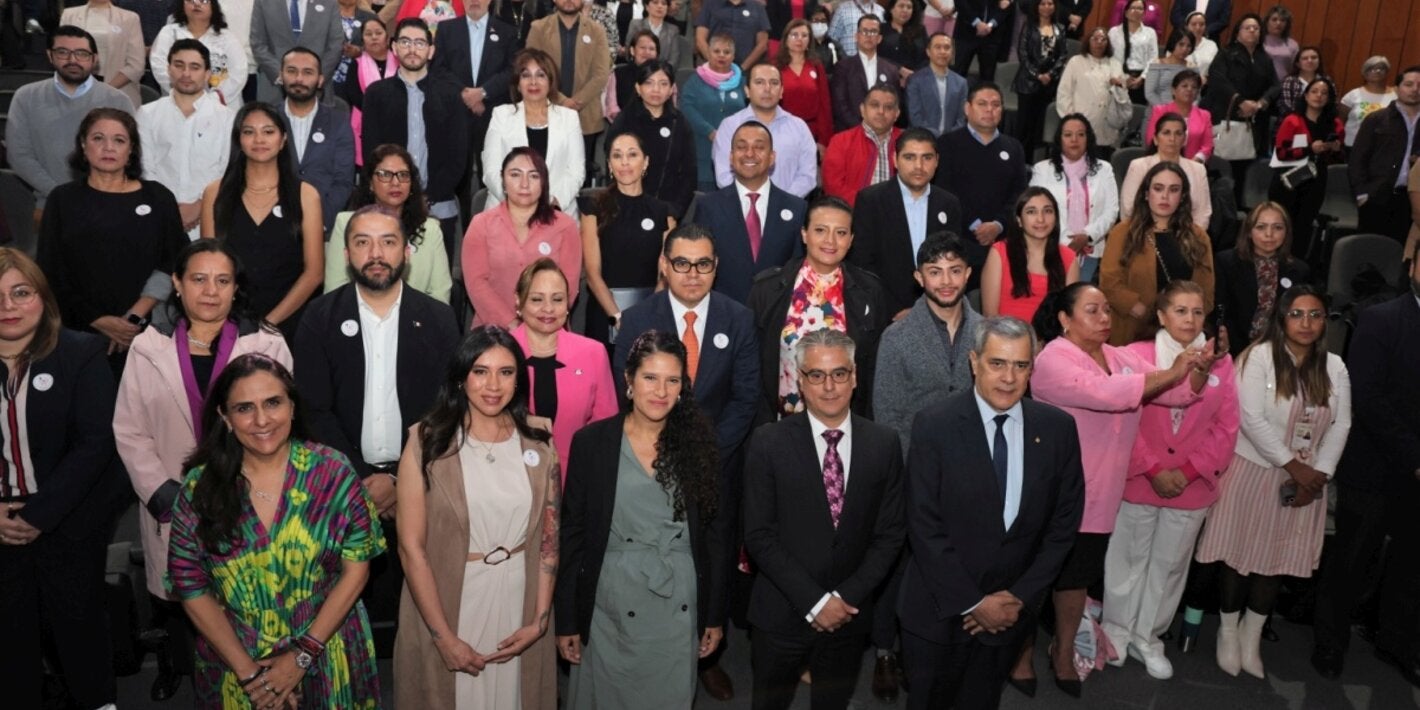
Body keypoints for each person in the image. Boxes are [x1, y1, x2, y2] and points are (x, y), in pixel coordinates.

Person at [114, 240, 292, 701]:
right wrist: (163, 491)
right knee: (184, 601)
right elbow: (130, 431)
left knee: (246, 603)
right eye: (198, 279)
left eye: (222, 280)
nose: (210, 291)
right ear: (176, 284)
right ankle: (183, 674)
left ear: (236, 289)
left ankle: (254, 682)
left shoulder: (267, 343)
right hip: (174, 498)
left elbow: (281, 424)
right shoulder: (147, 348)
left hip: (249, 495)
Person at [1021, 282, 1215, 696]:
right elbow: (1109, 395)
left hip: (1101, 493)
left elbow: (1172, 392)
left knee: (1076, 579)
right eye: (1093, 310)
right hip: (1054, 492)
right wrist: (1175, 370)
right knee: (1036, 578)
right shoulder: (1051, 359)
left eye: (1108, 309)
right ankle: (1019, 657)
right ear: (1064, 319)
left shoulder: (1117, 355)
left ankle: (1064, 650)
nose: (1105, 317)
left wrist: (1196, 369)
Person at [166, 354, 385, 707]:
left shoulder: (334, 474)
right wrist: (253, 677)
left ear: (293, 407)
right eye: (244, 408)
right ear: (224, 417)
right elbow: (191, 588)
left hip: (328, 652)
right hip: (235, 665)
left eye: (273, 403)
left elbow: (357, 570)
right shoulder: (199, 489)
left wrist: (302, 655)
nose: (262, 420)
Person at [897, 315, 1085, 709]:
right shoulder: (935, 425)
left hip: (1009, 614)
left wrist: (1018, 597)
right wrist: (974, 603)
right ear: (974, 361)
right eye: (997, 363)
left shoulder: (1057, 429)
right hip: (938, 609)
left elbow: (1063, 525)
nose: (1009, 377)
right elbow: (923, 524)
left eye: (1020, 365)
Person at [295, 204, 460, 650]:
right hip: (342, 483)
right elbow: (313, 410)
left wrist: (397, 477)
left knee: (422, 613)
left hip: (423, 479)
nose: (376, 253)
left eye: (387, 241)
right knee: (347, 615)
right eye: (362, 242)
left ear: (406, 251)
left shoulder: (440, 319)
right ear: (347, 253)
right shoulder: (319, 319)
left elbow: (447, 408)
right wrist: (361, 478)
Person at [612, 224, 761, 701]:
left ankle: (707, 652)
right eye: (681, 263)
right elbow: (627, 392)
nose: (692, 274)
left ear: (716, 267)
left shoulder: (738, 318)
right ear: (664, 264)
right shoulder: (637, 320)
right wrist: (663, 454)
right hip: (649, 463)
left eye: (703, 264)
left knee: (712, 557)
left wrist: (704, 453)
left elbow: (745, 398)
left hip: (717, 463)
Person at [555, 330, 729, 708]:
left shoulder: (700, 446)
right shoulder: (592, 443)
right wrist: (567, 617)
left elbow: (716, 538)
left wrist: (714, 614)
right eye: (650, 377)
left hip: (677, 601)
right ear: (629, 380)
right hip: (608, 602)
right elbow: (573, 534)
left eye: (672, 380)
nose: (661, 391)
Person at [392, 325, 561, 708]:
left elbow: (551, 538)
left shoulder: (539, 439)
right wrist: (443, 638)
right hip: (451, 601)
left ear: (519, 379)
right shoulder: (427, 441)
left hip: (519, 600)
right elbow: (410, 548)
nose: (493, 385)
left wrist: (540, 619)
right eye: (480, 371)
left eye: (506, 372)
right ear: (460, 378)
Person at [742, 327, 906, 709]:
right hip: (781, 613)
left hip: (849, 617)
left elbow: (891, 534)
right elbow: (759, 535)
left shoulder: (884, 443)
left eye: (839, 374)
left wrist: (844, 599)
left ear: (855, 377)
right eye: (816, 375)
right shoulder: (768, 442)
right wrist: (815, 602)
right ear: (800, 380)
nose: (829, 386)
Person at [1194, 284, 1350, 679]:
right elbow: (1250, 417)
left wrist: (1318, 477)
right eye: (1297, 314)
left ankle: (1253, 633)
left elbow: (1342, 423)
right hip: (1254, 472)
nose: (1306, 323)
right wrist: (1293, 468)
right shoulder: (1260, 357)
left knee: (1275, 560)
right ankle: (1228, 632)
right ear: (1282, 319)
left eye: (1315, 315)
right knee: (1239, 556)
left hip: (1306, 483)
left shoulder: (1335, 366)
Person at [0, 248, 125, 710]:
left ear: (43, 297)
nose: (9, 307)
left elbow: (96, 442)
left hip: (67, 522)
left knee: (79, 636)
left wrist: (38, 515)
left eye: (21, 292)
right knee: (11, 650)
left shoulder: (80, 351)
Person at [1102, 279, 1239, 681]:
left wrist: (1188, 471)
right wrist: (1155, 468)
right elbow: (1126, 419)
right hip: (1141, 477)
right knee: (1127, 558)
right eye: (1180, 310)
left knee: (1169, 566)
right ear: (1161, 315)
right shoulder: (1133, 356)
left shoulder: (1222, 362)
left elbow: (1227, 426)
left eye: (1198, 312)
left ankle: (1148, 636)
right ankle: (1116, 631)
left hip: (1191, 486)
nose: (1190, 319)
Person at [1312, 249, 1420, 684]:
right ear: (1412, 267)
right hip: (1375, 465)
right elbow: (1369, 399)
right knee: (1352, 560)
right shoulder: (1381, 319)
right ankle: (1329, 644)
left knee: (1412, 566)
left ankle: (1395, 642)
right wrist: (1415, 457)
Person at [37, 108, 188, 372]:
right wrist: (97, 320)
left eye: (119, 140)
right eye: (98, 138)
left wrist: (133, 318)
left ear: (132, 149)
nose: (109, 147)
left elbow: (176, 260)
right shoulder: (62, 200)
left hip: (146, 329)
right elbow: (49, 271)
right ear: (83, 145)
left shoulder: (158, 197)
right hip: (77, 332)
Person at [747, 196, 892, 423]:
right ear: (805, 234)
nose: (830, 241)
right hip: (780, 425)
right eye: (821, 230)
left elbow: (876, 368)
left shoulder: (870, 291)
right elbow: (751, 368)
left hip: (847, 423)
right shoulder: (767, 289)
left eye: (841, 233)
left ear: (851, 239)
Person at [200, 102, 325, 339]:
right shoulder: (215, 193)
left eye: (268, 131)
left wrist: (267, 326)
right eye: (249, 132)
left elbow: (314, 273)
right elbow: (209, 267)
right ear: (239, 139)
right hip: (228, 322)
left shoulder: (306, 195)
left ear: (283, 139)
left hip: (291, 321)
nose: (259, 139)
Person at [363, 18, 471, 248]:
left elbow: (459, 155)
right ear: (394, 48)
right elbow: (371, 152)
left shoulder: (451, 95)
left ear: (431, 51)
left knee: (437, 280)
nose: (412, 49)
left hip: (439, 206)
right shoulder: (376, 94)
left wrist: (429, 196)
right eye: (405, 41)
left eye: (420, 43)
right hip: (387, 207)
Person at [5, 27, 134, 212]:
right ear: (50, 55)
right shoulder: (26, 97)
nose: (73, 60)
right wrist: (60, 194)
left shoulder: (117, 100)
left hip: (106, 204)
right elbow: (19, 156)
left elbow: (129, 155)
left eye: (81, 53)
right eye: (63, 52)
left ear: (94, 59)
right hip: (48, 204)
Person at [509, 259, 618, 478]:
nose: (548, 309)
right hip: (509, 477)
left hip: (576, 478)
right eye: (537, 299)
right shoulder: (500, 353)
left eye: (557, 299)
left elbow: (606, 428)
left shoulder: (593, 353)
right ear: (519, 302)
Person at [849, 127, 964, 316]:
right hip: (884, 312)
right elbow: (862, 263)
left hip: (937, 310)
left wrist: (927, 308)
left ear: (937, 161)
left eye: (927, 158)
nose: (919, 166)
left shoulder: (949, 203)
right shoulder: (871, 200)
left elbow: (953, 263)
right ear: (895, 160)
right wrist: (894, 309)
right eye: (909, 157)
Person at [464, 148, 582, 327]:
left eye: (534, 176)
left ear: (544, 182)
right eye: (515, 175)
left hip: (548, 330)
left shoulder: (565, 226)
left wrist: (537, 327)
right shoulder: (481, 224)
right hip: (493, 332)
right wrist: (512, 324)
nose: (524, 184)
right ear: (503, 180)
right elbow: (476, 284)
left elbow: (569, 288)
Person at [694, 120, 808, 303]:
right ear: (731, 157)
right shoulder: (708, 206)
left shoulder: (796, 208)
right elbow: (699, 265)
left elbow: (799, 269)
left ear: (772, 157)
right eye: (741, 147)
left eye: (759, 147)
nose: (749, 153)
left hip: (777, 315)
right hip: (724, 313)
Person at [1102, 161, 1214, 345]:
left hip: (1183, 334)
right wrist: (1144, 313)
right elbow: (1110, 283)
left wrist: (1184, 318)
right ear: (1146, 194)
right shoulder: (1122, 233)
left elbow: (1206, 292)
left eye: (1174, 190)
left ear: (1183, 196)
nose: (1165, 196)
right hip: (1133, 330)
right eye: (1158, 188)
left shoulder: (1198, 237)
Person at [324, 144, 454, 302]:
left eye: (403, 175)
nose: (395, 182)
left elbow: (441, 294)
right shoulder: (345, 223)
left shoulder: (430, 229)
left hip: (417, 321)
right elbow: (334, 290)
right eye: (385, 174)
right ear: (370, 183)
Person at [580, 132, 675, 344]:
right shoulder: (593, 208)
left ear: (646, 162)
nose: (624, 162)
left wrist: (646, 317)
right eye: (617, 156)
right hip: (604, 314)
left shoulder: (663, 213)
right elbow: (593, 275)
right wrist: (619, 318)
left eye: (632, 154)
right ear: (609, 164)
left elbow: (665, 274)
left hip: (651, 315)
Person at [139, 39, 237, 240]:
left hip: (210, 217)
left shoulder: (227, 117)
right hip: (159, 216)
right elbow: (145, 168)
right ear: (168, 69)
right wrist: (170, 208)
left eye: (195, 67)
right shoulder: (147, 114)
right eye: (179, 65)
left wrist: (200, 206)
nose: (186, 74)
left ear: (208, 73)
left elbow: (227, 169)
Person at [933, 82, 1029, 282]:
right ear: (967, 108)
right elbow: (944, 192)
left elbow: (1019, 195)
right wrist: (977, 226)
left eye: (995, 105)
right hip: (958, 243)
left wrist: (998, 225)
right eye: (982, 104)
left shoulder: (1013, 147)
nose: (989, 110)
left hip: (1001, 243)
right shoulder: (947, 144)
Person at [481, 47, 586, 214]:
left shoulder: (569, 118)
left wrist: (552, 203)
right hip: (507, 212)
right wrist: (519, 202)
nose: (533, 82)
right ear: (517, 84)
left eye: (541, 75)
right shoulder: (501, 115)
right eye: (526, 75)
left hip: (556, 211)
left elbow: (576, 172)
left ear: (551, 82)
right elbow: (491, 171)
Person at [525, 0, 611, 184]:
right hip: (544, 112)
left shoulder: (597, 31)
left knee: (580, 176)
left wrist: (575, 102)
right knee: (542, 172)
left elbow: (601, 74)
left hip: (585, 116)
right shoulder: (539, 28)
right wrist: (562, 101)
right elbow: (531, 70)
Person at [431, 0, 519, 177]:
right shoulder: (446, 29)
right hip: (455, 113)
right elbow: (438, 69)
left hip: (492, 113)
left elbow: (512, 70)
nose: (474, 1)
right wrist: (465, 94)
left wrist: (483, 93)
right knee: (457, 175)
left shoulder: (507, 31)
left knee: (493, 173)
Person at [274, 48, 356, 236]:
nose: (299, 79)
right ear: (281, 76)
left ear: (320, 80)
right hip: (274, 225)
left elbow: (343, 180)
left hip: (324, 228)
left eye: (307, 72)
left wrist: (320, 221)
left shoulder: (338, 121)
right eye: (292, 71)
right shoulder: (267, 118)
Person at [1213, 202, 1311, 357]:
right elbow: (1220, 309)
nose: (1269, 234)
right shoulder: (1226, 262)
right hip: (1235, 349)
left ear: (1286, 232)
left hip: (1281, 352)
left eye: (1277, 228)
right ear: (1249, 232)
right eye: (1261, 227)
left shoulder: (1299, 270)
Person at [1030, 114, 1119, 282]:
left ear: (1088, 138)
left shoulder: (1104, 169)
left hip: (1090, 249)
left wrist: (1087, 235)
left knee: (1079, 301)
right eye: (1068, 134)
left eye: (1080, 134)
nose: (1074, 140)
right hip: (1051, 249)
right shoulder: (1042, 170)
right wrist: (1067, 243)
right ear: (1059, 139)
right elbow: (1035, 210)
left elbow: (1111, 211)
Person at [606, 60, 697, 219]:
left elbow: (689, 173)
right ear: (638, 88)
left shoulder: (680, 122)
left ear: (671, 90)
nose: (656, 90)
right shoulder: (624, 122)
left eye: (663, 84)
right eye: (649, 83)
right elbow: (613, 168)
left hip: (667, 211)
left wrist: (675, 210)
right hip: (625, 210)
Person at [712, 63, 818, 198]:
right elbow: (724, 175)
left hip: (787, 210)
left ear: (781, 92)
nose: (767, 89)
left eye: (774, 83)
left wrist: (781, 203)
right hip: (741, 210)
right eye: (759, 82)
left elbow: (807, 176)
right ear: (747, 91)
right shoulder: (730, 126)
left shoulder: (799, 127)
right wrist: (752, 202)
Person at [1268, 78, 1344, 261]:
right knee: (1282, 221)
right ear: (1306, 95)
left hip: (1316, 178)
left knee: (1304, 224)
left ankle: (1295, 265)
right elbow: (1281, 152)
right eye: (1314, 91)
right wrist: (1310, 149)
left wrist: (1335, 149)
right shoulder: (1293, 121)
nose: (1319, 96)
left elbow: (1339, 158)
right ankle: (1273, 260)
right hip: (1289, 178)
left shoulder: (1335, 124)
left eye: (1324, 93)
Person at [1203, 14, 1281, 182]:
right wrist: (1240, 101)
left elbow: (1275, 85)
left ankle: (1237, 204)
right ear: (1238, 32)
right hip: (1226, 113)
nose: (1252, 31)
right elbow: (1217, 79)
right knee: (1219, 168)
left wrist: (1260, 103)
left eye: (1256, 28)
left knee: (1243, 170)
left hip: (1253, 118)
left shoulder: (1264, 58)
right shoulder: (1226, 53)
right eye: (1247, 27)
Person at [982, 187, 1079, 320]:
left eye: (1048, 211)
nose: (1040, 219)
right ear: (1019, 220)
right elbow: (990, 316)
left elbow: (1070, 317)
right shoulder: (999, 252)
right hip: (1005, 338)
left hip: (1051, 340)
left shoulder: (1068, 257)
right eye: (1031, 212)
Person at [1349, 65, 1420, 242]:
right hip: (1377, 196)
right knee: (1369, 253)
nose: (1415, 90)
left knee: (1400, 254)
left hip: (1411, 199)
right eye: (1409, 84)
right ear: (1397, 88)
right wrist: (1362, 194)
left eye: (1419, 85)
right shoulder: (1377, 119)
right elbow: (1358, 159)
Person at [1120, 112, 1213, 228]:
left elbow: (1203, 213)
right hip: (1144, 235)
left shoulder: (1198, 170)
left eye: (1178, 133)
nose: (1172, 139)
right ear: (1155, 139)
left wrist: (1190, 238)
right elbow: (1128, 209)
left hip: (1186, 236)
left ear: (1184, 140)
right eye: (1166, 133)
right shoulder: (1138, 166)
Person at [150, 0, 248, 104]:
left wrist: (214, 98)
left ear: (214, 7)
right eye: (191, 1)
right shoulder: (169, 33)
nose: (197, 4)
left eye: (204, 1)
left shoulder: (227, 37)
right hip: (179, 101)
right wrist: (185, 91)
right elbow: (159, 65)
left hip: (222, 105)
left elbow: (239, 72)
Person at [682, 33, 747, 191]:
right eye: (716, 51)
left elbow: (749, 111)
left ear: (733, 55)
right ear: (708, 52)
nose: (721, 55)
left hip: (735, 153)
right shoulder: (695, 80)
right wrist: (709, 131)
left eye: (727, 52)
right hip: (703, 150)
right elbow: (687, 108)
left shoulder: (742, 82)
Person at [823, 84, 901, 207]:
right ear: (862, 110)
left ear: (896, 114)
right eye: (874, 105)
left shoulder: (907, 142)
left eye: (888, 107)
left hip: (897, 215)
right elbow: (833, 187)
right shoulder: (840, 141)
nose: (881, 111)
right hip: (853, 215)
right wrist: (867, 206)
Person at [250, 0, 345, 102]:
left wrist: (317, 75)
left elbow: (336, 44)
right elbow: (258, 43)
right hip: (274, 88)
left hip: (317, 91)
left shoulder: (329, 3)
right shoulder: (263, 2)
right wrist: (283, 74)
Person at [61, 0, 146, 109]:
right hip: (77, 91)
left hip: (119, 92)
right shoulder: (69, 15)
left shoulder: (130, 18)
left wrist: (103, 91)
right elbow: (63, 54)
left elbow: (136, 65)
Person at [1056, 27, 1129, 149]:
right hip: (1081, 121)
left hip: (1106, 125)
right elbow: (1064, 93)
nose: (1099, 42)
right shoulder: (1076, 62)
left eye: (1103, 39)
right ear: (1088, 41)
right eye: (1095, 39)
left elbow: (1122, 96)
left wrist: (1118, 85)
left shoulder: (1115, 64)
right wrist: (1071, 120)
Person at [337, 17, 398, 166]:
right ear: (363, 40)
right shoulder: (356, 63)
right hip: (366, 122)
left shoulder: (399, 62)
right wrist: (377, 110)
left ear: (387, 38)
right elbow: (353, 94)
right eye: (368, 34)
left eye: (378, 33)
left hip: (397, 119)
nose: (374, 37)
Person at [1013, 0, 1067, 159]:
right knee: (1023, 125)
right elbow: (1022, 54)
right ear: (1037, 6)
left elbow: (1062, 55)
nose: (1047, 7)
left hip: (1048, 84)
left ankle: (1031, 160)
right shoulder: (1029, 26)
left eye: (1050, 4)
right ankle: (1018, 158)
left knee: (1039, 126)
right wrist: (1037, 74)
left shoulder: (1060, 28)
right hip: (1028, 82)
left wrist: (1050, 74)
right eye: (1043, 4)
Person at [830, 16, 902, 132]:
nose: (869, 36)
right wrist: (862, 129)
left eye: (873, 32)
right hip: (851, 132)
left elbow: (894, 104)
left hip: (883, 132)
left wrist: (880, 127)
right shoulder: (843, 67)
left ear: (879, 38)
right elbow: (840, 105)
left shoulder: (891, 70)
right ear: (856, 36)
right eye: (864, 31)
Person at [775, 19, 834, 149]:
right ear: (786, 39)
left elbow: (824, 104)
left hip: (811, 133)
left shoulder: (816, 66)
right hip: (782, 131)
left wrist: (824, 140)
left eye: (804, 35)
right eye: (794, 35)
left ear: (809, 40)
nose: (799, 39)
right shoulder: (776, 67)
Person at [905, 32, 968, 137]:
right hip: (921, 138)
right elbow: (915, 116)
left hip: (951, 141)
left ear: (952, 53)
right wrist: (935, 135)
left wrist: (948, 137)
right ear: (928, 52)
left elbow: (961, 118)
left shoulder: (961, 82)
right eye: (938, 47)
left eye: (947, 48)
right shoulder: (915, 80)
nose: (942, 52)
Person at [1144, 70, 1213, 161]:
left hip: (1194, 165)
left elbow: (1207, 146)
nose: (1189, 89)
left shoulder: (1204, 115)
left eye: (1194, 87)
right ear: (1173, 90)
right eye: (1184, 86)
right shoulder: (1160, 111)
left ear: (1197, 93)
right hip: (1162, 163)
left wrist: (1196, 160)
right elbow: (1151, 139)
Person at [602, 30, 661, 123]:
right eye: (642, 47)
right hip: (624, 128)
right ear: (632, 51)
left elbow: (670, 108)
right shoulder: (618, 74)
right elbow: (612, 108)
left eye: (652, 49)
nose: (647, 52)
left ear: (657, 54)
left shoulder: (664, 76)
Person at [1339, 55, 1396, 148]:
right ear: (1365, 73)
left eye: (1381, 68)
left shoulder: (1395, 95)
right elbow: (1341, 120)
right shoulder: (1353, 95)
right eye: (1372, 69)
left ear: (1387, 72)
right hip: (1353, 145)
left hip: (1383, 146)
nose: (1377, 71)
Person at [694, 0, 769, 68]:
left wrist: (742, 68)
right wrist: (713, 64)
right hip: (712, 69)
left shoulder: (758, 7)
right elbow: (700, 39)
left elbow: (762, 44)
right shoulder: (710, 4)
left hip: (745, 70)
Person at [1106, 0, 1153, 104]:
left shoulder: (1150, 33)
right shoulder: (1114, 32)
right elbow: (1108, 57)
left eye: (1140, 8)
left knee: (1137, 113)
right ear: (1126, 12)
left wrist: (1142, 78)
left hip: (1140, 80)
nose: (1136, 11)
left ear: (1144, 12)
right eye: (1132, 8)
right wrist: (1119, 79)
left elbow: (1153, 58)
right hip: (1118, 77)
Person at [950, 0, 1008, 81]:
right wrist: (977, 23)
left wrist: (990, 25)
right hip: (965, 33)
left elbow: (1006, 5)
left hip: (991, 35)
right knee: (957, 74)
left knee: (988, 77)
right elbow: (960, 2)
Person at [1143, 29, 1194, 107]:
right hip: (1159, 112)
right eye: (1181, 44)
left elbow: (1195, 96)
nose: (1185, 49)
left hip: (1183, 114)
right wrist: (1167, 110)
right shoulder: (1157, 64)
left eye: (1189, 46)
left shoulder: (1192, 67)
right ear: (1173, 43)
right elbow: (1150, 94)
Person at [625, 0, 683, 69]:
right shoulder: (635, 25)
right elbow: (628, 53)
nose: (660, 6)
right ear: (647, 7)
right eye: (655, 2)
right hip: (637, 72)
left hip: (662, 74)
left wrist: (659, 74)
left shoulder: (673, 30)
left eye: (664, 4)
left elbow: (674, 60)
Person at [1277, 45, 1329, 117]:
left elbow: (1332, 104)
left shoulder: (1327, 81)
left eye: (1314, 57)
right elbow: (1286, 107)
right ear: (1298, 64)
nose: (1310, 61)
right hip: (1293, 122)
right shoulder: (1290, 81)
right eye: (1305, 58)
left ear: (1319, 61)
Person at [879, 0, 926, 72]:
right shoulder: (882, 29)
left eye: (909, 7)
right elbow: (877, 57)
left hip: (917, 76)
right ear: (891, 9)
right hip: (888, 74)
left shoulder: (920, 30)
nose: (905, 10)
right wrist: (900, 70)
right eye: (901, 6)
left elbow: (927, 55)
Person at [1259, 4, 1296, 83]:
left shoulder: (1292, 44)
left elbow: (1294, 69)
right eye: (1274, 19)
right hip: (1259, 84)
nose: (1278, 23)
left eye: (1282, 20)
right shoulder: (1258, 40)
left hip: (1282, 85)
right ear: (1267, 21)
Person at [1181, 11, 1219, 79]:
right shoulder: (1178, 43)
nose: (1198, 28)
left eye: (1201, 24)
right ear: (1186, 26)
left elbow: (1216, 69)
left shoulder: (1212, 45)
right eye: (1194, 24)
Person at [808, 5, 843, 72]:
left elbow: (845, 66)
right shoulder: (804, 45)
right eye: (815, 20)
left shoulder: (835, 46)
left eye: (823, 20)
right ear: (809, 22)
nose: (819, 24)